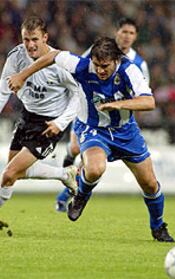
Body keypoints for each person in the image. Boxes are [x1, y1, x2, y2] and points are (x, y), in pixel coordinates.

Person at [8, 37, 175, 242]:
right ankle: (80, 197)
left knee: (149, 184)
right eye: (96, 65)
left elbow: (149, 102)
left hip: (126, 132)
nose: (100, 70)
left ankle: (158, 226)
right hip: (92, 128)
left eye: (105, 66)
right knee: (95, 168)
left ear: (116, 60)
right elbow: (52, 55)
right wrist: (23, 75)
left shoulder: (130, 71)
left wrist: (120, 104)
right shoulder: (82, 66)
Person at [0, 16, 80, 233]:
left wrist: (61, 123)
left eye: (34, 39)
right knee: (13, 174)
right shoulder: (17, 56)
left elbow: (78, 95)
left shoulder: (60, 65)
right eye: (26, 39)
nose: (30, 45)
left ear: (45, 38)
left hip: (49, 125)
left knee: (8, 173)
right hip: (27, 118)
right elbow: (2, 90)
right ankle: (65, 174)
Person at [55, 18, 150, 212]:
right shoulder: (96, 52)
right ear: (117, 32)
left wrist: (123, 108)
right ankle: (69, 178)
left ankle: (67, 195)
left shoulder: (138, 64)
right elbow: (79, 73)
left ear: (136, 37)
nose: (126, 36)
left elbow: (143, 95)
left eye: (131, 33)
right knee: (75, 149)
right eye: (124, 31)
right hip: (88, 112)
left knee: (90, 164)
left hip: (116, 120)